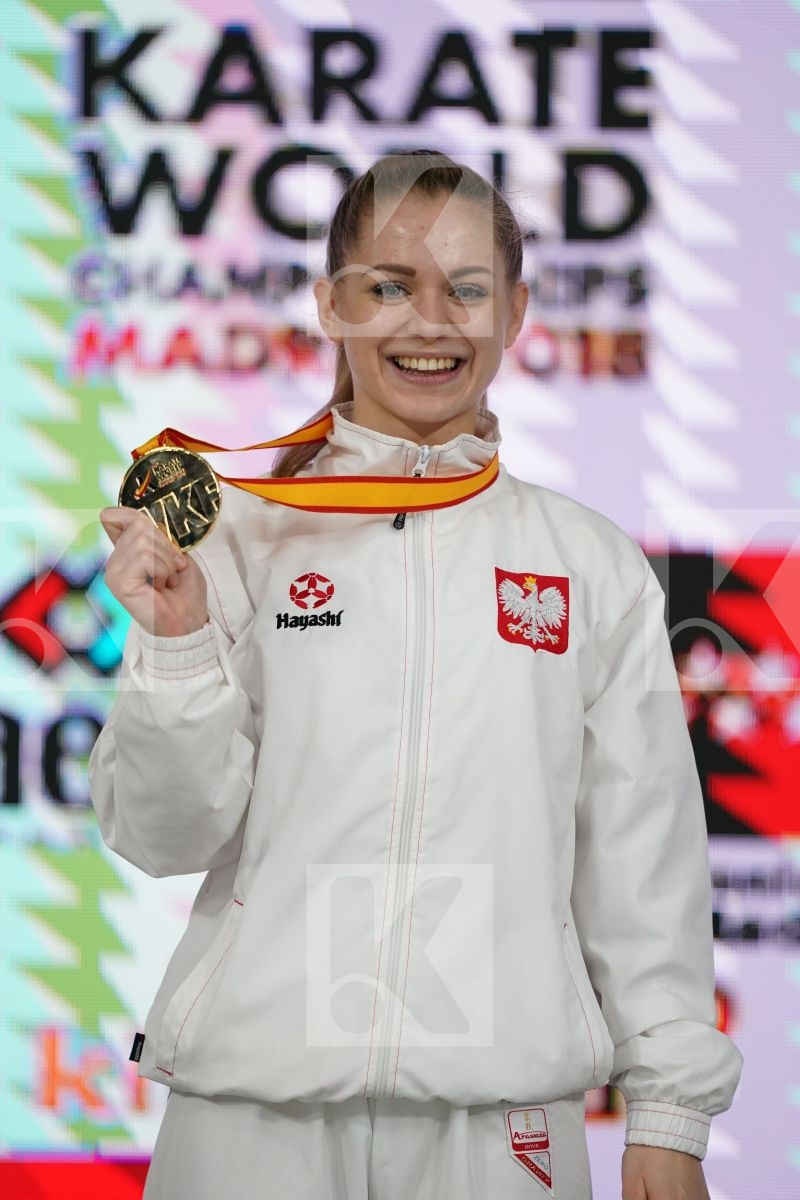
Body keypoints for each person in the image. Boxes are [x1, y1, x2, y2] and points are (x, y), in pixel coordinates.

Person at [89, 151, 742, 1200]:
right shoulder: (232, 539)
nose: (427, 322)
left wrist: (667, 1109)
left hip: (499, 1124)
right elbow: (160, 836)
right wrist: (175, 642)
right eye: (387, 286)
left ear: (515, 311)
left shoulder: (584, 560)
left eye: (466, 289)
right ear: (330, 306)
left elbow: (642, 858)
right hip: (255, 1114)